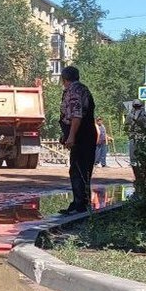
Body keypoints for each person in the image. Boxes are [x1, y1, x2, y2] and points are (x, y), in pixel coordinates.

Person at [58, 66, 96, 215]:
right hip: (86, 133)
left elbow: (76, 115)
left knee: (78, 169)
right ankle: (81, 202)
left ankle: (80, 205)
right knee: (83, 169)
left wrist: (72, 136)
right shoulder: (83, 89)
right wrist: (66, 135)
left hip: (81, 135)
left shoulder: (73, 91)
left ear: (64, 79)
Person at [125, 98, 146, 180]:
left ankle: (138, 178)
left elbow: (126, 128)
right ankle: (143, 178)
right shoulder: (145, 115)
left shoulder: (129, 116)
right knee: (143, 159)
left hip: (133, 139)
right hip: (142, 139)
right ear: (141, 106)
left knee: (134, 160)